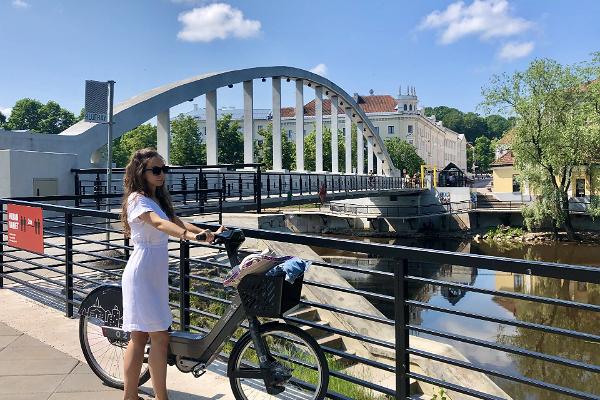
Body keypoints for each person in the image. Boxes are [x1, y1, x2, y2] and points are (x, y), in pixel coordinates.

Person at [120, 148, 224, 400]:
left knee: (154, 336)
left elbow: (176, 221)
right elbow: (158, 223)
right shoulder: (137, 199)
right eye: (155, 170)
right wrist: (189, 236)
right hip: (142, 273)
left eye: (164, 169)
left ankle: (144, 397)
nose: (161, 174)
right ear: (140, 172)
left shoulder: (158, 199)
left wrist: (206, 233)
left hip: (154, 273)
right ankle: (139, 396)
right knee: (147, 336)